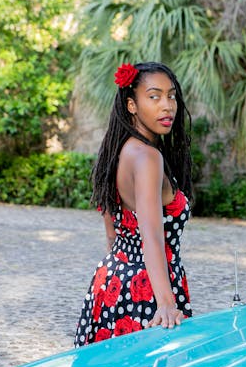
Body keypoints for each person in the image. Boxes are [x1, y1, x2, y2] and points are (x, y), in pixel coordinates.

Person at [74, 61, 193, 347]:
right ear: (131, 105)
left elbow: (113, 235)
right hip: (146, 289)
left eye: (171, 95)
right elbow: (151, 235)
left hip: (111, 282)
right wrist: (165, 302)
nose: (167, 106)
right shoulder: (148, 157)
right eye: (154, 96)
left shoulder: (118, 151)